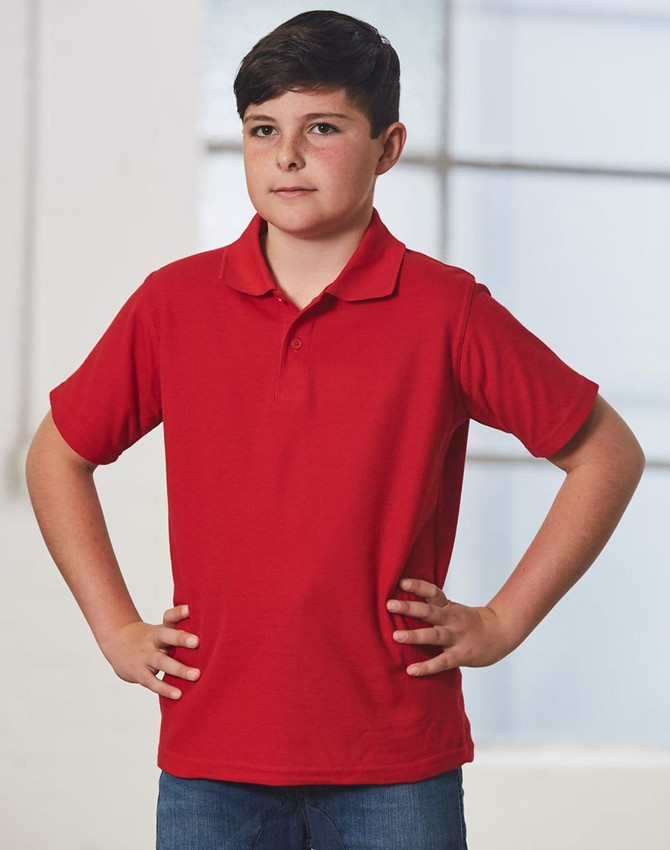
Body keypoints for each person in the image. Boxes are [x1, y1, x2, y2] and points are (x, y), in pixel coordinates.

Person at [25, 10, 645, 850]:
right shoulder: (173, 304)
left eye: (321, 127)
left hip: (395, 759)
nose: (286, 154)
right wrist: (115, 629)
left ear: (388, 147)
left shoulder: (446, 310)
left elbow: (607, 453)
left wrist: (502, 622)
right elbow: (57, 455)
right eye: (263, 129)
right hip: (213, 755)